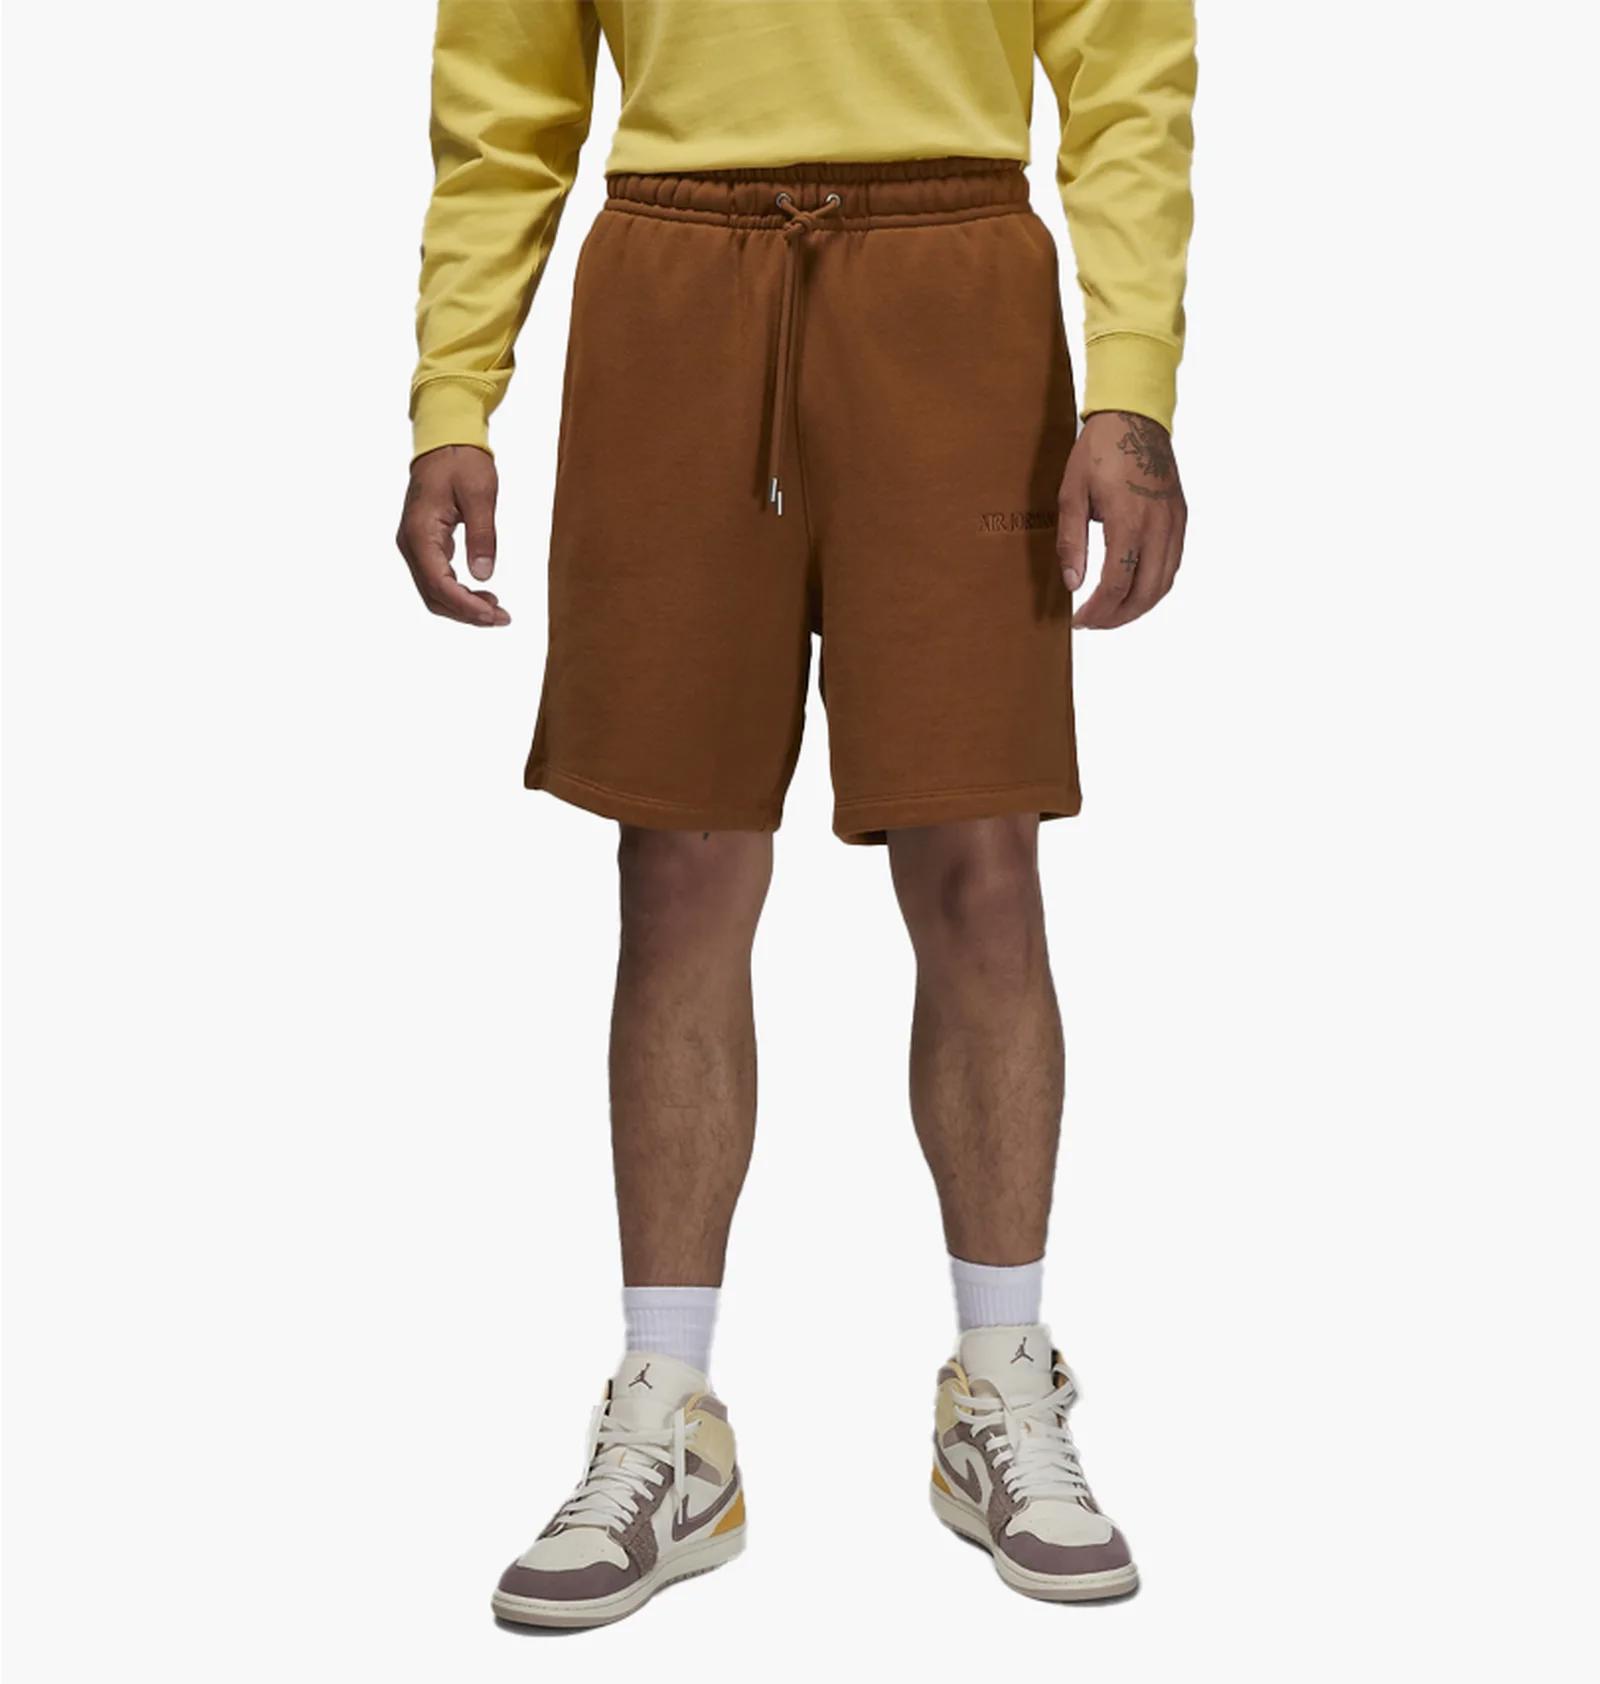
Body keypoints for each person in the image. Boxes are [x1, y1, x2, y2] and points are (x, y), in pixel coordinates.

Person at [397, 0, 1195, 1629]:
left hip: (954, 277)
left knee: (979, 859)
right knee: (679, 867)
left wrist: (1131, 390)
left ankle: (1000, 1380)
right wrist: (452, 395)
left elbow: (1127, 68)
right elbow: (503, 100)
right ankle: (666, 1414)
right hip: (674, 279)